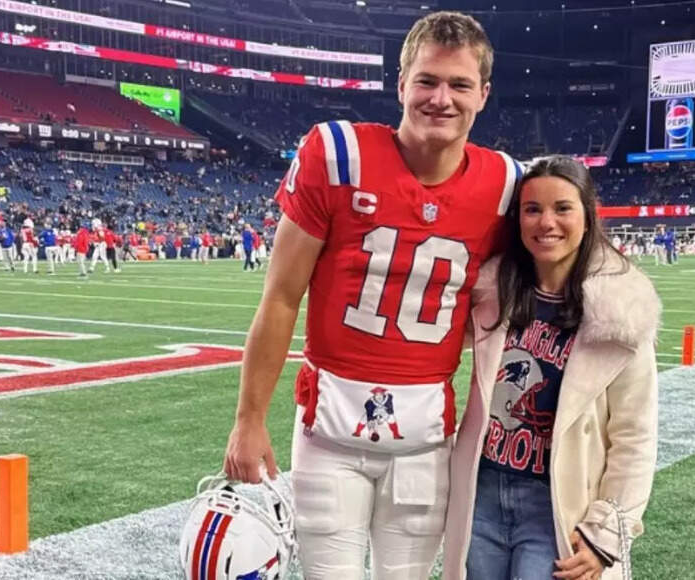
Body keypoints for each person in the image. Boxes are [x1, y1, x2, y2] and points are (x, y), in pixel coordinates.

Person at [223, 11, 522, 580]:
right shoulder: (337, 155)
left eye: (459, 84)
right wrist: (249, 418)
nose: (441, 98)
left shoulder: (506, 184)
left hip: (425, 439)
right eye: (427, 80)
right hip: (329, 432)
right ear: (401, 83)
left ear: (483, 95)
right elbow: (282, 296)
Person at [443, 156, 660, 580]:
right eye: (532, 209)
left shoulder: (622, 308)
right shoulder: (494, 291)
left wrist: (607, 533)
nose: (547, 222)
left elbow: (635, 434)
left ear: (586, 214)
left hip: (558, 502)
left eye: (563, 208)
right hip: (482, 491)